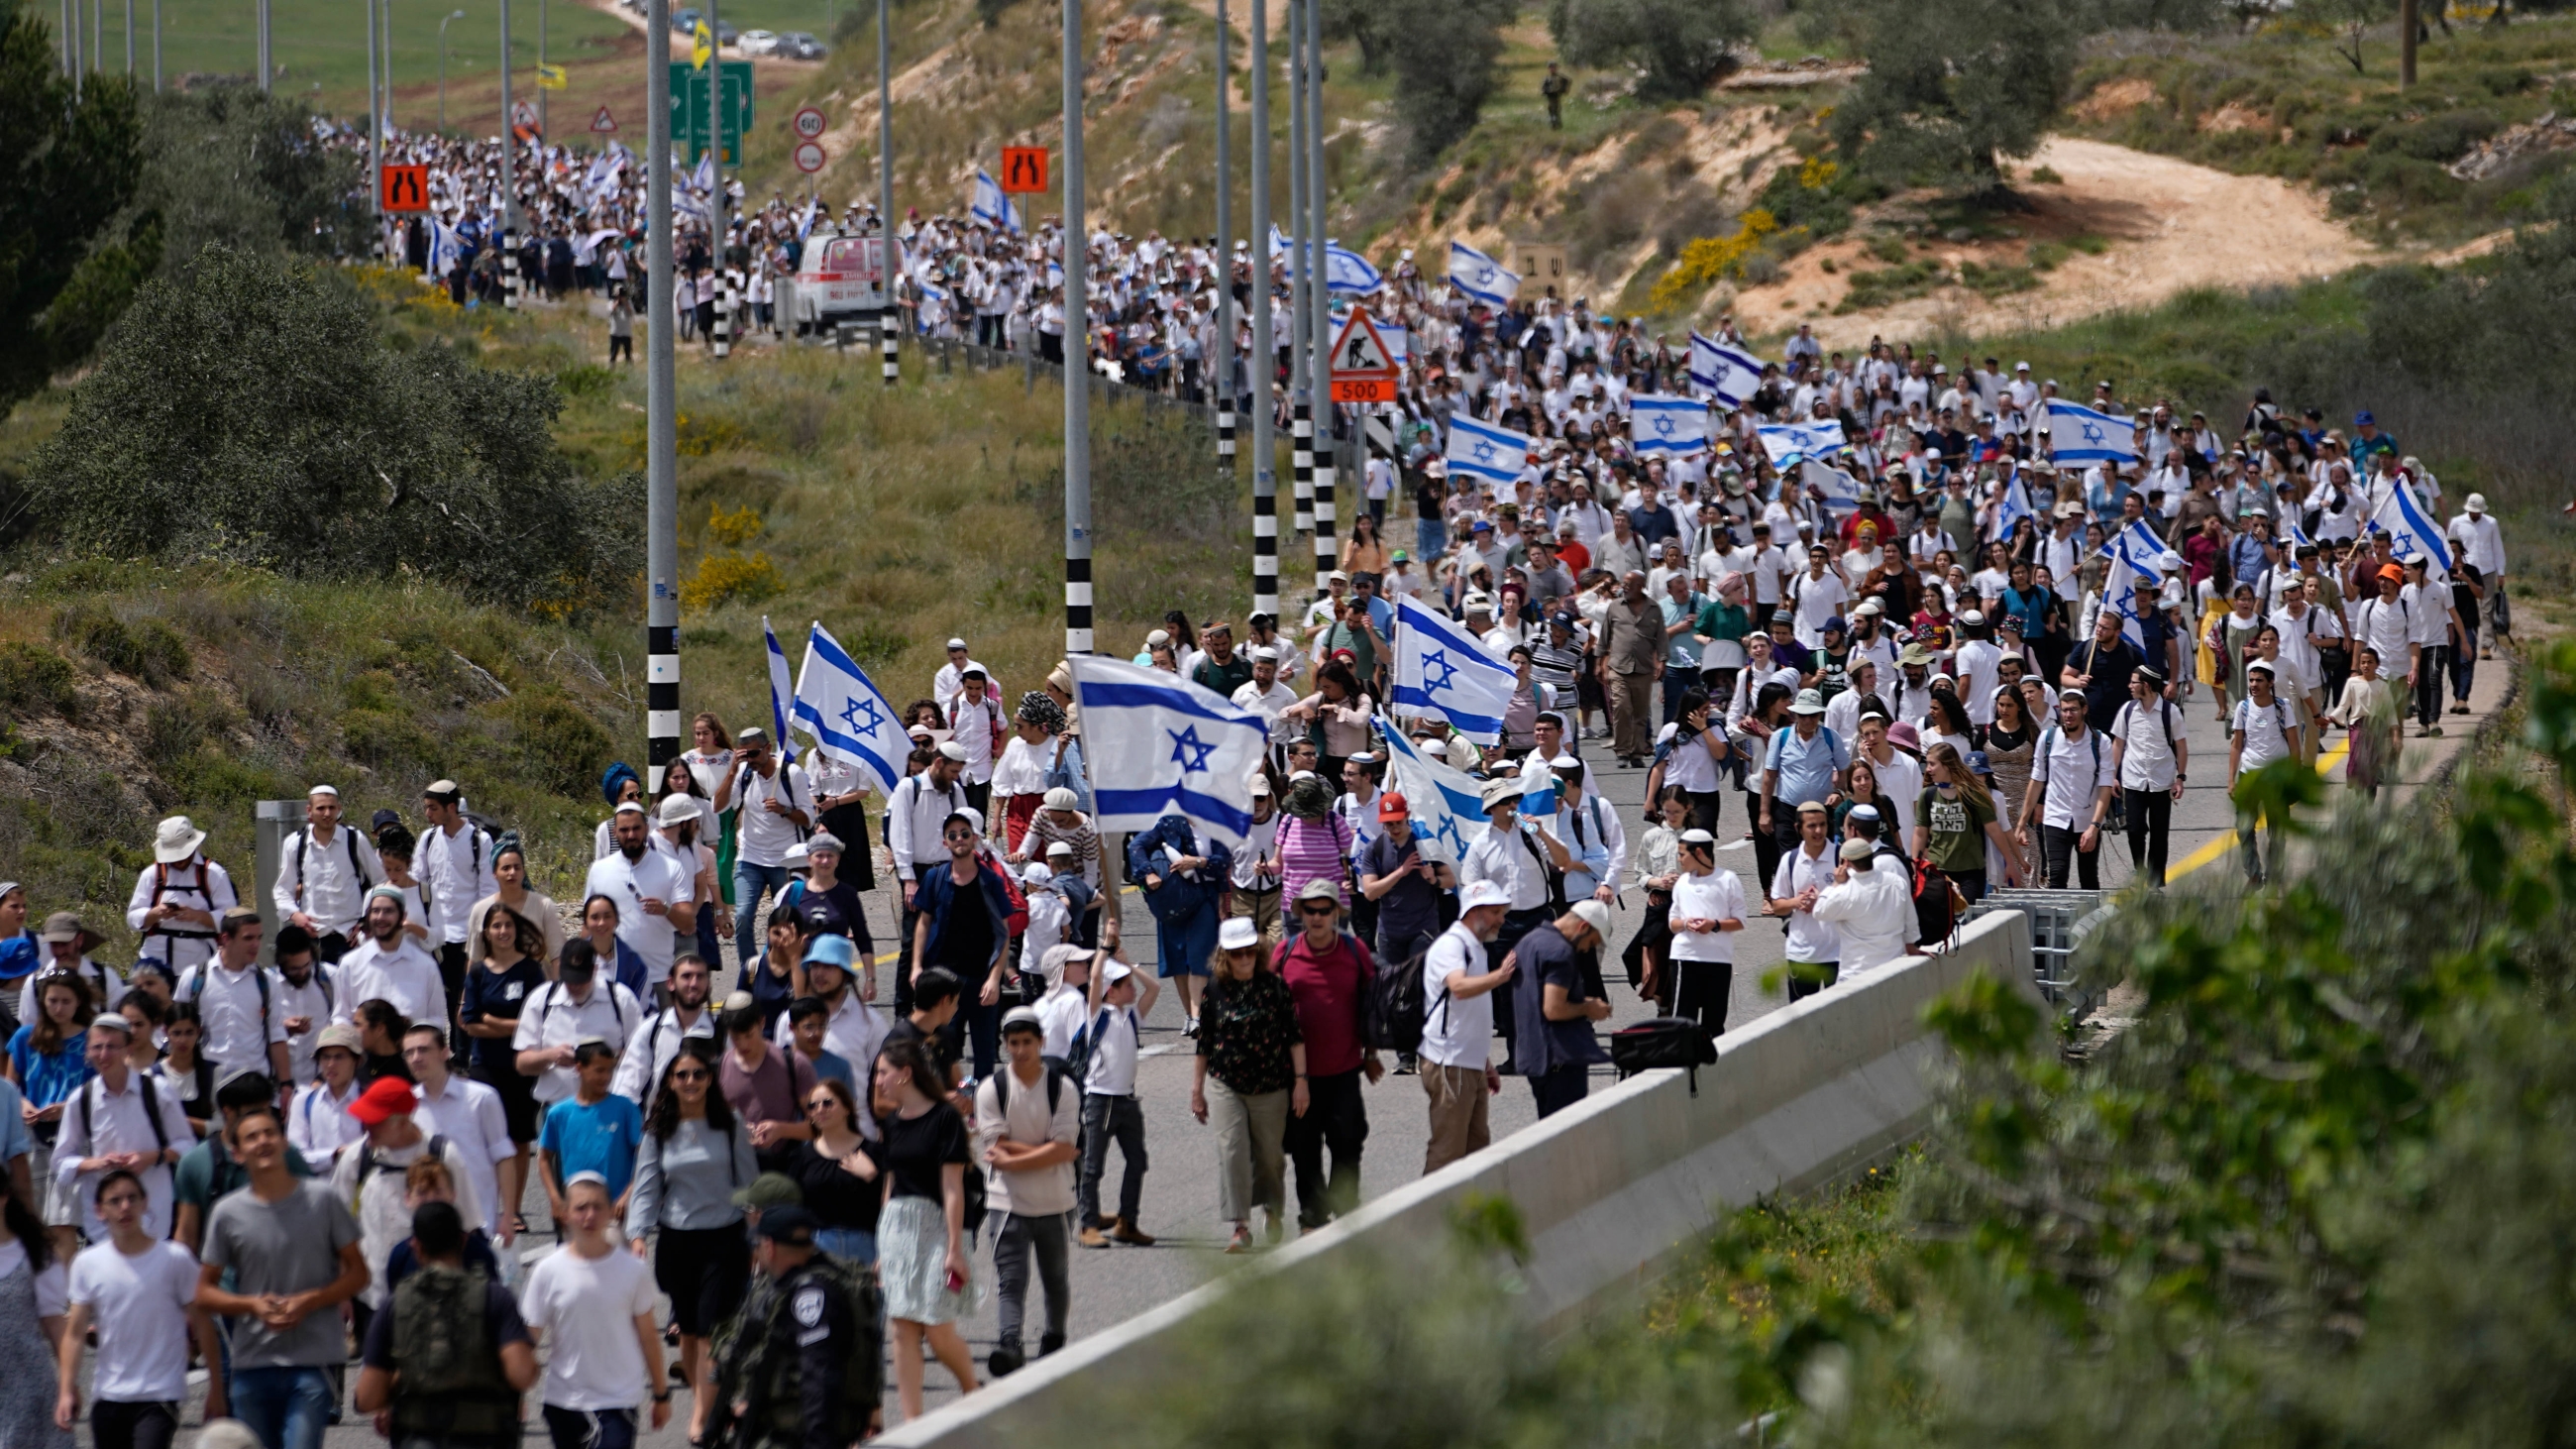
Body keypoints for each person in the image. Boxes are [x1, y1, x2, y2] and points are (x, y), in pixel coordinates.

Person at [195, 1104, 369, 1449]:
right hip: (251, 1362)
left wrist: (311, 1301)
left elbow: (359, 1273)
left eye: (269, 1133)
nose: (262, 1142)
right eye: (251, 1137)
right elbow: (203, 1291)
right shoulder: (227, 1213)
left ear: (285, 1141)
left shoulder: (324, 1200)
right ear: (237, 1152)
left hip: (313, 1360)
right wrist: (252, 1305)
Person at [627, 1046, 756, 1443]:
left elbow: (749, 1183)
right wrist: (637, 1236)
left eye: (699, 1074)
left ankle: (701, 1418)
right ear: (670, 1081)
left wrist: (757, 1237)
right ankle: (712, 1400)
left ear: (710, 1079)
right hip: (677, 1240)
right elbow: (647, 1186)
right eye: (682, 1075)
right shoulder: (658, 1129)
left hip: (725, 1237)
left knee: (707, 1332)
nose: (691, 1082)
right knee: (687, 1333)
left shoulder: (728, 1122)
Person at [54, 1169, 227, 1449]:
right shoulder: (87, 1264)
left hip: (159, 1394)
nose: (125, 1207)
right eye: (115, 1200)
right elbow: (74, 1333)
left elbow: (203, 1322)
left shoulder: (175, 1259)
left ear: (145, 1203)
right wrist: (66, 1390)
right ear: (99, 1210)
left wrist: (217, 1389)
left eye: (132, 1198)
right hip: (108, 1395)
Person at [349, 1200, 536, 1449]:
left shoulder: (396, 1305)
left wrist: (397, 1385)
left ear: (415, 1246)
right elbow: (522, 1374)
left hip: (418, 1438)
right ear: (463, 1240)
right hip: (485, 1438)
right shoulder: (494, 1298)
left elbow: (367, 1397)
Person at [518, 1171, 671, 1449]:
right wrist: (517, 1396)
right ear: (564, 1213)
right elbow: (529, 1339)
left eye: (597, 1207)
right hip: (563, 1402)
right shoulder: (547, 1271)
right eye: (580, 1208)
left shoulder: (632, 1270)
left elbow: (648, 1336)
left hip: (617, 1401)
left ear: (611, 1211)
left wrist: (661, 1395)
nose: (589, 1215)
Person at [330, 1072, 482, 1342]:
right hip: (373, 1299)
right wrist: (342, 1293)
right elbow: (337, 1230)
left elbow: (468, 1226)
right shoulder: (357, 1158)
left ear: (401, 1121)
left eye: (375, 1120)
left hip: (439, 1299)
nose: (366, 1126)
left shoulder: (443, 1154)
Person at [874, 1037, 979, 1420]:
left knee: (935, 1326)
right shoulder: (890, 1121)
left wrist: (954, 1248)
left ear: (905, 1074)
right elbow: (889, 1182)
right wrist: (881, 1246)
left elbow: (953, 1186)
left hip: (938, 1227)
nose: (879, 1081)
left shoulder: (944, 1118)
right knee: (902, 1328)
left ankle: (974, 1390)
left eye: (884, 1073)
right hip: (898, 1228)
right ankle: (912, 1422)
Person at [974, 1007, 1078, 1376]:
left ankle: (1054, 1338)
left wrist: (1012, 1156)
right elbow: (1000, 1144)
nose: (1020, 1050)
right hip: (1007, 1203)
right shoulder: (992, 1089)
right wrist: (1048, 1150)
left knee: (1055, 1277)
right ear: (1004, 1045)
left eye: (1027, 1043)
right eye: (1013, 1043)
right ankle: (1009, 1343)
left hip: (1055, 1201)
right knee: (1010, 1280)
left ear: (1041, 1042)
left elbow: (1062, 1148)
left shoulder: (1061, 1088)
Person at [1192, 917, 1305, 1253]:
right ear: (1225, 957)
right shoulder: (1213, 989)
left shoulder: (1275, 986)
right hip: (1226, 1083)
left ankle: (1272, 1206)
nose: (1244, 959)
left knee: (1270, 1156)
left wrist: (1301, 1082)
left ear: (1258, 952)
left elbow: (1295, 1037)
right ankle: (1240, 1226)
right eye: (1236, 954)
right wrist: (1196, 1090)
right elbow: (1204, 1042)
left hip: (1271, 1084)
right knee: (1232, 1152)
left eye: (1249, 953)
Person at [720, 1205, 878, 1446]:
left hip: (798, 1437)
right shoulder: (799, 1284)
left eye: (758, 1244)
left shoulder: (813, 1294)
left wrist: (818, 1442)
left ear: (769, 1247)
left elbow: (820, 1374)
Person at [50, 1014, 191, 1245]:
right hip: (103, 1218)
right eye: (97, 1047)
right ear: (87, 1051)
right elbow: (60, 1162)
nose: (104, 1055)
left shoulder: (157, 1091)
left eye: (112, 1047)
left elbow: (187, 1145)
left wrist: (151, 1157)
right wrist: (97, 1163)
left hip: (154, 1208)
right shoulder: (81, 1099)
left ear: (129, 1048)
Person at [1419, 881, 1517, 1172]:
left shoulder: (1474, 946)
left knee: (1475, 1150)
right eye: (1496, 911)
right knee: (1448, 1152)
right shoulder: (1452, 945)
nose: (1501, 919)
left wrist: (1483, 1062)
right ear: (1475, 911)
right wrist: (1500, 976)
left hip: (1468, 1063)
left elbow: (1466, 1013)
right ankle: (1430, 1215)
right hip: (1451, 1063)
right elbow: (1459, 988)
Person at [911, 811, 1015, 1081]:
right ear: (945, 842)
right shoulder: (935, 878)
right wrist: (917, 966)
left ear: (975, 839)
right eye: (952, 835)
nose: (959, 839)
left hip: (981, 980)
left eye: (965, 834)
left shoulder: (990, 881)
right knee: (943, 1051)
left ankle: (982, 1110)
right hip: (944, 982)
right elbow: (923, 923)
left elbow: (1003, 934)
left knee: (984, 1053)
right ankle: (949, 1110)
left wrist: (995, 979)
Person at [1075, 955, 1160, 1248]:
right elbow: (1095, 979)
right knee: (1092, 1166)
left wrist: (1129, 965)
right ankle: (1088, 1225)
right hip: (1101, 1100)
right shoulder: (1097, 1014)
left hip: (1127, 1099)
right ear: (1111, 990)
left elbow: (1155, 988)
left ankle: (1127, 1222)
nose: (1134, 989)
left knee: (1138, 1160)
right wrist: (1105, 948)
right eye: (1127, 985)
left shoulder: (1132, 1015)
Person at [403, 1024, 515, 1246]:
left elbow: (503, 1156)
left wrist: (509, 1215)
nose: (416, 1058)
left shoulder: (481, 1098)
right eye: (409, 1052)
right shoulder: (407, 1105)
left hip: (476, 1220)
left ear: (445, 1052)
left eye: (424, 1050)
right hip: (425, 1224)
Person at [1127, 813, 1231, 1037]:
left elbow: (1224, 859)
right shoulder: (1169, 823)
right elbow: (1136, 846)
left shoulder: (1215, 821)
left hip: (1204, 897)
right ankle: (1190, 1015)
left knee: (1199, 957)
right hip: (1173, 897)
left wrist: (1198, 862)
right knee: (1177, 959)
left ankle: (1198, 1016)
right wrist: (1148, 874)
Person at [1507, 901, 1613, 1118]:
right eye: (1591, 942)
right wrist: (1589, 1008)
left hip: (1534, 1055)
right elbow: (1554, 1009)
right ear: (1583, 927)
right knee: (1566, 1135)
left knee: (1548, 1133)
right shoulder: (1560, 952)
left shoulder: (1529, 941)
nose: (1586, 949)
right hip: (1560, 1059)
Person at [514, 940, 644, 1110]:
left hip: (609, 1109)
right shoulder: (540, 1000)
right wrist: (550, 1056)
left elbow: (641, 1057)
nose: (575, 986)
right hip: (556, 1110)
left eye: (581, 979)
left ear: (595, 970)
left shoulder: (621, 999)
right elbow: (522, 1064)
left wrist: (607, 1059)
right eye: (570, 979)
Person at [587, 803, 698, 1002]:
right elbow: (588, 927)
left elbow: (688, 923)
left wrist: (666, 910)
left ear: (647, 829)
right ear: (615, 833)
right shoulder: (599, 870)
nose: (631, 835)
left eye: (636, 828)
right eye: (624, 830)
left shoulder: (671, 868)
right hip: (611, 980)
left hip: (659, 978)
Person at [173, 908, 292, 1084]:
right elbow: (176, 1029)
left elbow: (276, 1036)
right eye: (248, 938)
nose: (256, 945)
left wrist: (286, 1084)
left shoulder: (267, 982)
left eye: (258, 937)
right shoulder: (193, 978)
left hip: (254, 1083)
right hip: (207, 1083)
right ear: (225, 939)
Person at [727, 729, 811, 973]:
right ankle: (751, 973)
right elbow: (717, 806)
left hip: (784, 862)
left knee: (785, 923)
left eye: (754, 753)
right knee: (742, 917)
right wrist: (733, 769)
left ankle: (783, 970)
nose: (750, 759)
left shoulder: (790, 774)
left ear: (767, 748)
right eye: (745, 755)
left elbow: (808, 819)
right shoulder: (743, 773)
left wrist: (784, 810)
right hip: (750, 858)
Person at [534, 1040, 644, 1225]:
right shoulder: (559, 1113)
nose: (606, 1077)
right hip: (576, 1210)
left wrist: (628, 1194)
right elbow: (544, 1157)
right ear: (579, 1068)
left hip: (614, 1209)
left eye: (610, 1070)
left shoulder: (625, 1108)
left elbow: (644, 1156)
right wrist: (555, 1198)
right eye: (599, 1070)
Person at [270, 785, 383, 962]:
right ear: (309, 811)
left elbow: (381, 883)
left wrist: (366, 921)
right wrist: (295, 915)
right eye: (321, 808)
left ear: (339, 809)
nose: (327, 813)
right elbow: (283, 890)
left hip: (351, 938)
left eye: (331, 808)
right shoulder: (295, 844)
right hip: (314, 939)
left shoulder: (355, 839)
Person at [1, 1165, 70, 1449]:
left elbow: (55, 1323)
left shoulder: (34, 1252)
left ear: (4, 1197)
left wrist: (68, 1384)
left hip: (28, 1383)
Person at [2024, 687, 2117, 889]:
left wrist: (2095, 826)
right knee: (2056, 876)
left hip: (2087, 820)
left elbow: (2105, 786)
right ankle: (2058, 920)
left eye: (2073, 709)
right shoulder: (2048, 739)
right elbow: (2037, 781)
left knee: (2088, 877)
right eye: (2064, 710)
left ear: (2084, 709)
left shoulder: (2100, 742)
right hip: (2055, 818)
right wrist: (2022, 822)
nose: (2068, 715)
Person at [127, 816, 236, 979]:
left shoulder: (214, 874)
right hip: (155, 963)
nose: (178, 860)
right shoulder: (152, 874)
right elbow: (133, 917)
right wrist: (155, 913)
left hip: (201, 963)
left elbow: (232, 920)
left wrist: (199, 916)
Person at [2108, 665, 2188, 887]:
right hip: (2133, 780)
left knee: (2159, 833)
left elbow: (2181, 746)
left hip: (2161, 781)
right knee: (2134, 830)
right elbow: (2118, 744)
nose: (2130, 686)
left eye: (2134, 682)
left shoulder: (2170, 712)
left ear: (2145, 685)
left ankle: (2155, 879)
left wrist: (2180, 777)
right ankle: (2140, 871)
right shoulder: (2127, 710)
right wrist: (2112, 775)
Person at [787, 1077, 881, 1264]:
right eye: (812, 1106)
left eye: (828, 1103)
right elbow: (793, 1205)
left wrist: (873, 1176)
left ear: (847, 1107)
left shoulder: (873, 1152)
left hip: (865, 1244)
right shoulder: (802, 1156)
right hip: (819, 1244)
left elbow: (889, 1201)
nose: (820, 1109)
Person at [1911, 742, 2018, 902]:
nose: (1928, 769)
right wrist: (1915, 866)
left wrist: (2010, 863)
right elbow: (1920, 832)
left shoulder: (1974, 794)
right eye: (1927, 764)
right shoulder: (1927, 795)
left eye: (1932, 764)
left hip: (1971, 871)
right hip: (1938, 870)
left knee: (1967, 920)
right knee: (1942, 921)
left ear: (1947, 765)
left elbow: (1994, 829)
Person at [1666, 830, 1747, 1039]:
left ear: (1699, 853)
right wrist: (1685, 923)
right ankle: (1683, 1068)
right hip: (1685, 957)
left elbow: (1739, 921)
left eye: (1682, 854)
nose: (1679, 859)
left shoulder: (1728, 880)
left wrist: (1714, 924)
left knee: (1714, 1024)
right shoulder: (1682, 882)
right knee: (1683, 1022)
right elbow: (1672, 923)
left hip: (1718, 959)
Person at [2230, 659, 2305, 885]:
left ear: (2271, 683)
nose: (2254, 684)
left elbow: (2294, 744)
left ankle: (2274, 873)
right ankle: (2253, 874)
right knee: (2244, 829)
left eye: (2259, 681)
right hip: (2249, 775)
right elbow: (2236, 745)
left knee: (2277, 831)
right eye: (2251, 680)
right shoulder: (2243, 709)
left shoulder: (2283, 708)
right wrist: (2230, 781)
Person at [334, 888, 448, 1034]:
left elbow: (436, 1020)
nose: (380, 917)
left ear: (402, 917)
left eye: (388, 911)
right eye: (375, 911)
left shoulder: (426, 967)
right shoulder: (349, 964)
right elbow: (341, 1017)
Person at [1811, 837, 1919, 981]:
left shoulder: (1845, 891)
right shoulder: (1896, 882)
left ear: (1846, 863)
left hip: (1856, 973)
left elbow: (1819, 911)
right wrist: (1911, 945)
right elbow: (1911, 921)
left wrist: (1835, 884)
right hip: (1893, 967)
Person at [1768, 801, 1842, 1000]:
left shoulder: (1839, 857)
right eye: (1811, 826)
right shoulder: (1790, 860)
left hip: (1837, 953)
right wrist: (1796, 902)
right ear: (1798, 829)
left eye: (1822, 825)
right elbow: (1777, 906)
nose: (1818, 831)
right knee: (1803, 1020)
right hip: (1801, 954)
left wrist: (1824, 899)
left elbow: (1855, 902)